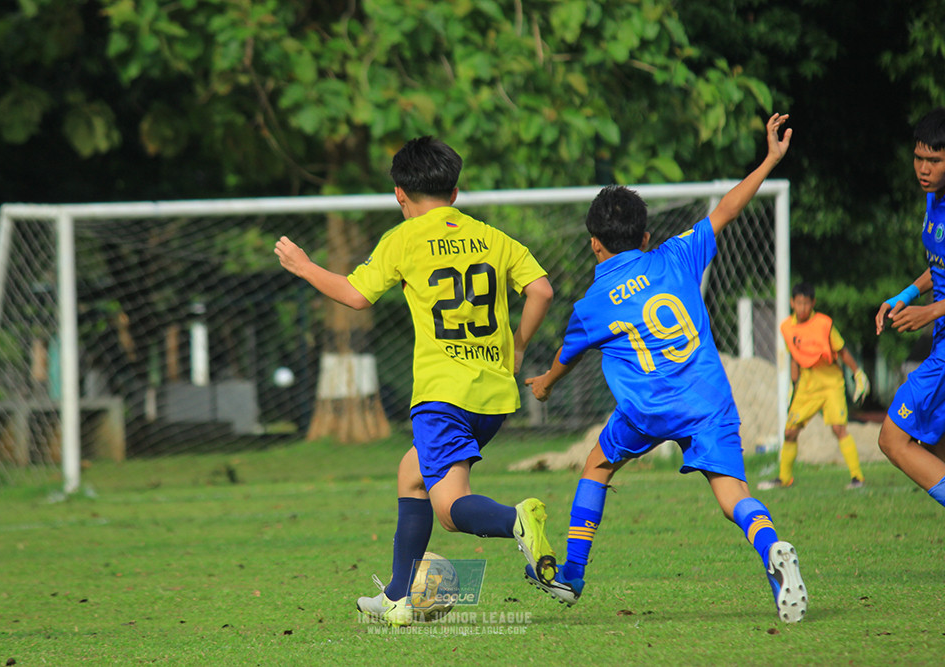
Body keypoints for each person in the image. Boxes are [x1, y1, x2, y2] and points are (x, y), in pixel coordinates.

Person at [523, 114, 809, 623]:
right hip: (707, 399)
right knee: (732, 494)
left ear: (594, 243)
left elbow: (567, 356)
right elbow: (727, 208)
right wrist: (769, 159)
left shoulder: (592, 304)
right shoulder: (677, 255)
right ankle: (771, 548)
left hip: (647, 410)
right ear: (646, 235)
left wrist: (544, 383)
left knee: (598, 464)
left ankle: (573, 574)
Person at [274, 136, 557, 627]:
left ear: (400, 194)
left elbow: (355, 296)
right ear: (455, 191)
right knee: (412, 476)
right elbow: (542, 290)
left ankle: (514, 519)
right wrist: (517, 346)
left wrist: (304, 266)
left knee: (449, 509)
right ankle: (397, 598)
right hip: (493, 397)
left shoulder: (403, 239)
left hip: (442, 396)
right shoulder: (492, 237)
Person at [874, 107, 945, 508]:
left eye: (934, 160)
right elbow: (939, 267)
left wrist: (930, 312)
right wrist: (905, 296)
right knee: (936, 448)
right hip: (941, 340)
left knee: (893, 438)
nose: (923, 168)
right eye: (918, 158)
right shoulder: (933, 199)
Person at [758, 282, 870, 491]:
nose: (802, 307)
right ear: (792, 303)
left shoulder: (824, 324)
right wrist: (793, 385)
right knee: (790, 432)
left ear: (813, 303)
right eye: (798, 303)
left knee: (838, 429)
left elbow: (842, 350)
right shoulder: (786, 327)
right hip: (807, 385)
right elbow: (794, 356)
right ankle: (784, 478)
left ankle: (857, 477)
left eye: (806, 303)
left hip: (830, 382)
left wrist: (857, 373)